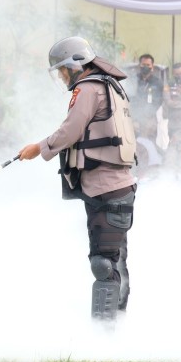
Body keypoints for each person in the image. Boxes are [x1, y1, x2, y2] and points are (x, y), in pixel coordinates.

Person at [17, 36, 136, 321]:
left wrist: (39, 148)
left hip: (105, 186)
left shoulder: (88, 88)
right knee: (115, 259)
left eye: (62, 70)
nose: (61, 76)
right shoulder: (111, 85)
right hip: (117, 185)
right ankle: (119, 326)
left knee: (103, 264)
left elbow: (70, 130)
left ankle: (104, 333)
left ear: (75, 65)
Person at [131, 53, 164, 122]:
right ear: (139, 65)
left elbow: (159, 101)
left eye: (148, 65)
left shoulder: (158, 82)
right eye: (143, 64)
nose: (145, 67)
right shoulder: (133, 80)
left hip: (150, 118)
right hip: (134, 117)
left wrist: (148, 113)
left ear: (152, 66)